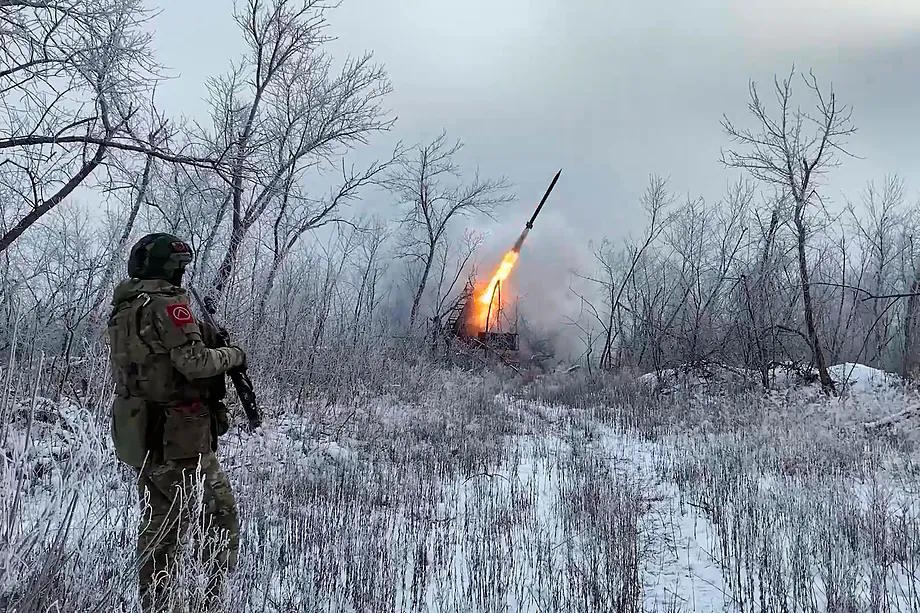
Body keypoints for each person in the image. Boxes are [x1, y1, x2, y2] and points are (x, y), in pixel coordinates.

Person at [107, 233, 246, 612]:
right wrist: (232, 355)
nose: (182, 275)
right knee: (210, 517)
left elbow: (152, 363)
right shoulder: (167, 304)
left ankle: (161, 602)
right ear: (168, 268)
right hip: (179, 436)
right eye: (180, 267)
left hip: (142, 430)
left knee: (164, 520)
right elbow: (194, 363)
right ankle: (206, 601)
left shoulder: (125, 306)